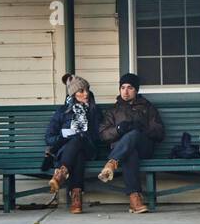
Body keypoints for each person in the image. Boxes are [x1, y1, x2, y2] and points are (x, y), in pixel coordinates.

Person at [97, 73, 165, 214]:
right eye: (122, 87)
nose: (125, 91)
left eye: (130, 88)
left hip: (144, 148)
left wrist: (143, 129)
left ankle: (112, 162)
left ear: (136, 90)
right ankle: (135, 199)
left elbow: (159, 132)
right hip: (125, 151)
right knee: (129, 153)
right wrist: (118, 129)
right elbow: (103, 134)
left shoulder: (147, 107)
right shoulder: (113, 110)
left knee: (134, 135)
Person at [44, 75, 100, 214]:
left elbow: (99, 136)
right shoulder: (62, 112)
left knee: (79, 139)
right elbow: (49, 138)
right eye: (81, 91)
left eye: (87, 90)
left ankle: (61, 173)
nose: (85, 94)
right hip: (66, 150)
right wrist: (63, 136)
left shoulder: (94, 110)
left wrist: (83, 136)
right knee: (77, 153)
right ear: (73, 94)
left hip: (89, 149)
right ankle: (76, 195)